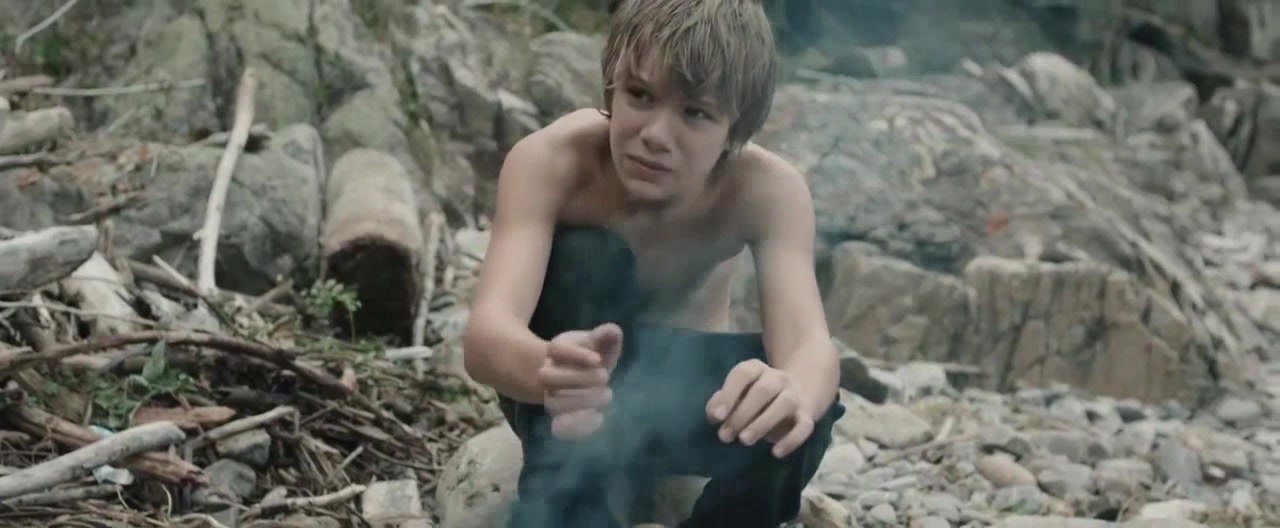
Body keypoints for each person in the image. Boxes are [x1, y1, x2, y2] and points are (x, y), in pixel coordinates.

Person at [461, 1, 845, 526]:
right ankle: (570, 507)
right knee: (591, 256)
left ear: (735, 129)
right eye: (640, 95)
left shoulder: (768, 191)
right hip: (565, 400)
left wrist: (790, 391)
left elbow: (809, 345)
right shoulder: (552, 161)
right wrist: (551, 370)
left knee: (798, 400)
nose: (656, 136)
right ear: (611, 88)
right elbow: (487, 335)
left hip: (685, 399)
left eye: (696, 113)